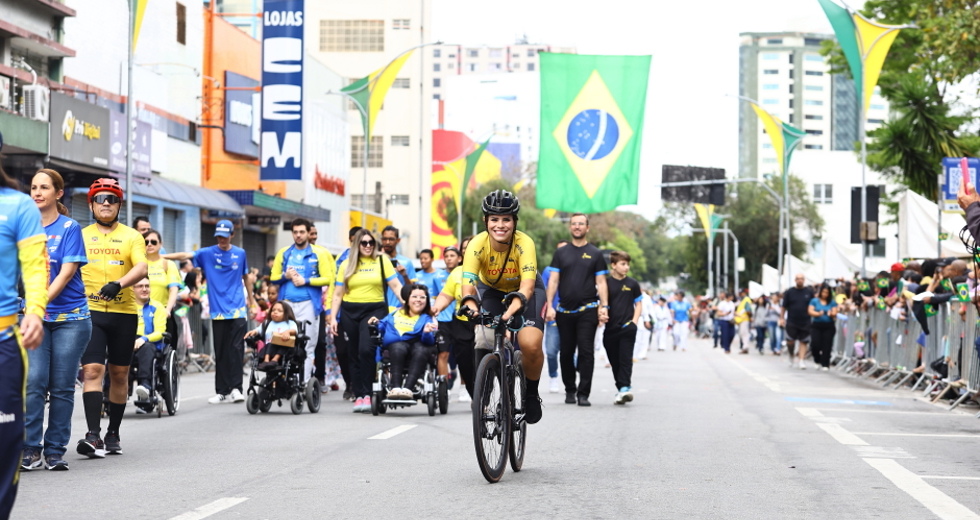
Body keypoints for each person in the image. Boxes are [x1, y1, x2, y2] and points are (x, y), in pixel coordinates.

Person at [22, 169, 90, 472]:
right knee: (34, 381)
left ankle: (54, 451)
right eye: (34, 187)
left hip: (71, 319)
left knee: (61, 386)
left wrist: (37, 303)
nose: (37, 192)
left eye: (44, 187)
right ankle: (30, 449)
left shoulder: (70, 228)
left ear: (58, 194)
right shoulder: (22, 227)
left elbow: (65, 273)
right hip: (34, 318)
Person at [460, 190, 545, 423]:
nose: (500, 225)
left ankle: (531, 393)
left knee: (530, 344)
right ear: (486, 221)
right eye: (494, 219)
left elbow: (526, 288)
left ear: (514, 222)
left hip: (526, 289)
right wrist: (470, 306)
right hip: (493, 291)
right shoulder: (476, 245)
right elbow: (467, 286)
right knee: (485, 337)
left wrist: (507, 315)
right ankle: (487, 388)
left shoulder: (524, 243)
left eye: (506, 219)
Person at [77, 178, 148, 457]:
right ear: (92, 204)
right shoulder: (80, 234)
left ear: (119, 204)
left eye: (112, 199)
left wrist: (118, 284)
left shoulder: (132, 236)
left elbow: (142, 267)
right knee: (93, 371)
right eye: (100, 198)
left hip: (124, 313)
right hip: (89, 313)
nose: (106, 203)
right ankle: (93, 435)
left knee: (119, 374)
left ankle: (113, 432)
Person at [0, 160, 48, 515]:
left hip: (4, 340)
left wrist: (34, 311)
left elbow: (34, 267)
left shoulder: (18, 206)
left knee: (4, 442)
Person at [165, 220, 255, 403]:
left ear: (232, 235)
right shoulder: (208, 253)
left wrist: (252, 302)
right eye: (219, 236)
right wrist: (160, 257)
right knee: (221, 350)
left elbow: (247, 278)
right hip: (218, 310)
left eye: (225, 235)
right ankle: (222, 391)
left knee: (236, 349)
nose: (222, 239)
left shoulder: (240, 253)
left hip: (237, 309)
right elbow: (185, 255)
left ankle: (237, 389)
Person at [329, 229, 403, 413]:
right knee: (352, 352)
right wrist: (332, 318)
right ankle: (359, 394)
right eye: (364, 243)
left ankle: (369, 393)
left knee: (365, 349)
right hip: (349, 311)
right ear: (357, 245)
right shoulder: (346, 264)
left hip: (374, 310)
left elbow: (395, 286)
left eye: (371, 242)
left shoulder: (381, 260)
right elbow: (338, 294)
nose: (368, 246)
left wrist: (409, 305)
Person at [545, 213, 609, 407]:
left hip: (588, 309)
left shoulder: (596, 254)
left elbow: (601, 282)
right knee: (565, 352)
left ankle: (583, 393)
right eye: (574, 224)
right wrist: (549, 306)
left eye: (581, 224)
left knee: (586, 351)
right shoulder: (561, 253)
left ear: (587, 228)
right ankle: (570, 390)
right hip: (564, 310)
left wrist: (604, 306)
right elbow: (554, 280)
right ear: (570, 227)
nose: (577, 227)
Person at [270, 218, 334, 382]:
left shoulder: (319, 253)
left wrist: (306, 281)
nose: (298, 235)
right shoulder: (284, 252)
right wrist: (286, 276)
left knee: (307, 345)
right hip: (287, 305)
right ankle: (285, 380)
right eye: (295, 232)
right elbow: (273, 278)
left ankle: (303, 383)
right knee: (284, 342)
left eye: (302, 232)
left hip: (309, 305)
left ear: (308, 233)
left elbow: (328, 278)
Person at [369, 284, 438, 399]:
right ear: (407, 298)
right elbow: (382, 326)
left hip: (418, 347)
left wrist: (426, 332)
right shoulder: (395, 313)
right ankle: (395, 388)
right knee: (398, 347)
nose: (418, 300)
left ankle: (407, 389)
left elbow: (430, 341)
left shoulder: (427, 318)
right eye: (414, 296)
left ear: (427, 300)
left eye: (422, 297)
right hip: (396, 347)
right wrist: (375, 323)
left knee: (421, 349)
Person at [431, 246, 477, 402]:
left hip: (485, 322)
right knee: (464, 364)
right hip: (462, 323)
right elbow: (445, 295)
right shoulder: (457, 272)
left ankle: (485, 396)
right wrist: (436, 307)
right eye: (465, 248)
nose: (468, 250)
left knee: (482, 362)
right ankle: (476, 399)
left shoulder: (490, 268)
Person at [603, 251, 642, 405]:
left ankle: (625, 388)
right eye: (623, 264)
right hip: (610, 329)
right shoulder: (605, 283)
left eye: (627, 264)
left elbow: (638, 303)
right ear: (613, 265)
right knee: (615, 361)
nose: (627, 267)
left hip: (627, 327)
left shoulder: (633, 284)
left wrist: (634, 322)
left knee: (625, 359)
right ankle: (621, 389)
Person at [332, 226, 361, 400]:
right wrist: (331, 312)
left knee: (360, 350)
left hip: (363, 311)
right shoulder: (341, 260)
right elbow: (334, 289)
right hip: (343, 311)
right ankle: (348, 382)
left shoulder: (372, 259)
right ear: (351, 239)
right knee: (342, 350)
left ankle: (357, 385)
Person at [142, 228, 180, 359]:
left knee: (165, 351)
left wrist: (168, 310)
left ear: (160, 244)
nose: (149, 244)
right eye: (146, 242)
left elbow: (173, 289)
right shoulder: (138, 264)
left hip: (163, 313)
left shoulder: (167, 264)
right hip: (141, 313)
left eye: (153, 241)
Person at [132, 278, 167, 407]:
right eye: (140, 286)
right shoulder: (127, 306)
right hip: (128, 340)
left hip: (148, 342)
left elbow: (160, 331)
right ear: (132, 289)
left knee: (146, 348)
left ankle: (145, 385)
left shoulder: (157, 306)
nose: (144, 289)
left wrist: (143, 339)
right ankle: (109, 388)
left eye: (147, 286)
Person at [416, 248, 451, 379]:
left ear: (432, 259)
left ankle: (449, 373)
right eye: (421, 258)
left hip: (442, 316)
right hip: (425, 317)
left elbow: (441, 296)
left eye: (425, 258)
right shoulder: (417, 276)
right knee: (437, 351)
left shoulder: (439, 275)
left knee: (448, 354)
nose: (423, 261)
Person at [541, 240, 567, 393]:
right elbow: (543, 292)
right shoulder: (549, 270)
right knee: (551, 351)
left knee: (570, 352)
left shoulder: (576, 268)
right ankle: (553, 377)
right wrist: (547, 310)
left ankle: (572, 378)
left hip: (572, 314)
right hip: (554, 316)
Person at [245, 301, 297, 370]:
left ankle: (275, 360)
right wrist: (254, 331)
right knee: (270, 343)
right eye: (273, 310)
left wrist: (288, 332)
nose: (275, 312)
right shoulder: (268, 322)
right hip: (270, 346)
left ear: (286, 313)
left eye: (279, 311)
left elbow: (295, 330)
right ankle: (266, 360)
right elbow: (259, 329)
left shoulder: (290, 322)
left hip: (284, 348)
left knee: (283, 345)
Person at [782, 273, 815, 369]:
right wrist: (781, 318)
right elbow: (784, 306)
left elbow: (813, 305)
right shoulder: (789, 292)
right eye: (798, 279)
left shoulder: (809, 292)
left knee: (803, 341)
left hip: (805, 321)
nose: (799, 280)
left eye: (801, 278)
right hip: (792, 321)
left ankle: (801, 360)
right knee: (790, 341)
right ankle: (791, 355)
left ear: (804, 280)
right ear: (795, 280)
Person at [380, 225, 417, 310]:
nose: (387, 242)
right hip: (379, 310)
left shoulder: (406, 262)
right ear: (381, 240)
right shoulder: (376, 261)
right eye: (385, 239)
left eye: (391, 239)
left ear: (398, 240)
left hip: (399, 310)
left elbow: (413, 289)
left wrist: (404, 275)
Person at [808, 284, 838, 370]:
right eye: (823, 292)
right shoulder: (814, 301)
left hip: (828, 325)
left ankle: (825, 363)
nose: (825, 294)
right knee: (815, 344)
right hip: (817, 325)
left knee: (827, 345)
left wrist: (831, 314)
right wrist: (818, 314)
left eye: (827, 292)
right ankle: (817, 359)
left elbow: (834, 312)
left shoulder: (832, 302)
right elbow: (810, 311)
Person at [633, 289, 655, 361]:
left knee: (645, 337)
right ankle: (634, 355)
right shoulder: (631, 295)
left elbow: (648, 309)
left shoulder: (646, 297)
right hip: (635, 318)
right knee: (637, 338)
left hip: (644, 318)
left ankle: (642, 354)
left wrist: (648, 320)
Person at [733, 289, 753, 354]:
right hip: (741, 319)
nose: (739, 294)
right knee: (742, 333)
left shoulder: (746, 299)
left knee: (744, 333)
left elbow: (748, 310)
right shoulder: (742, 300)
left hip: (744, 319)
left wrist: (749, 317)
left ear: (743, 293)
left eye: (740, 293)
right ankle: (744, 347)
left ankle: (745, 347)